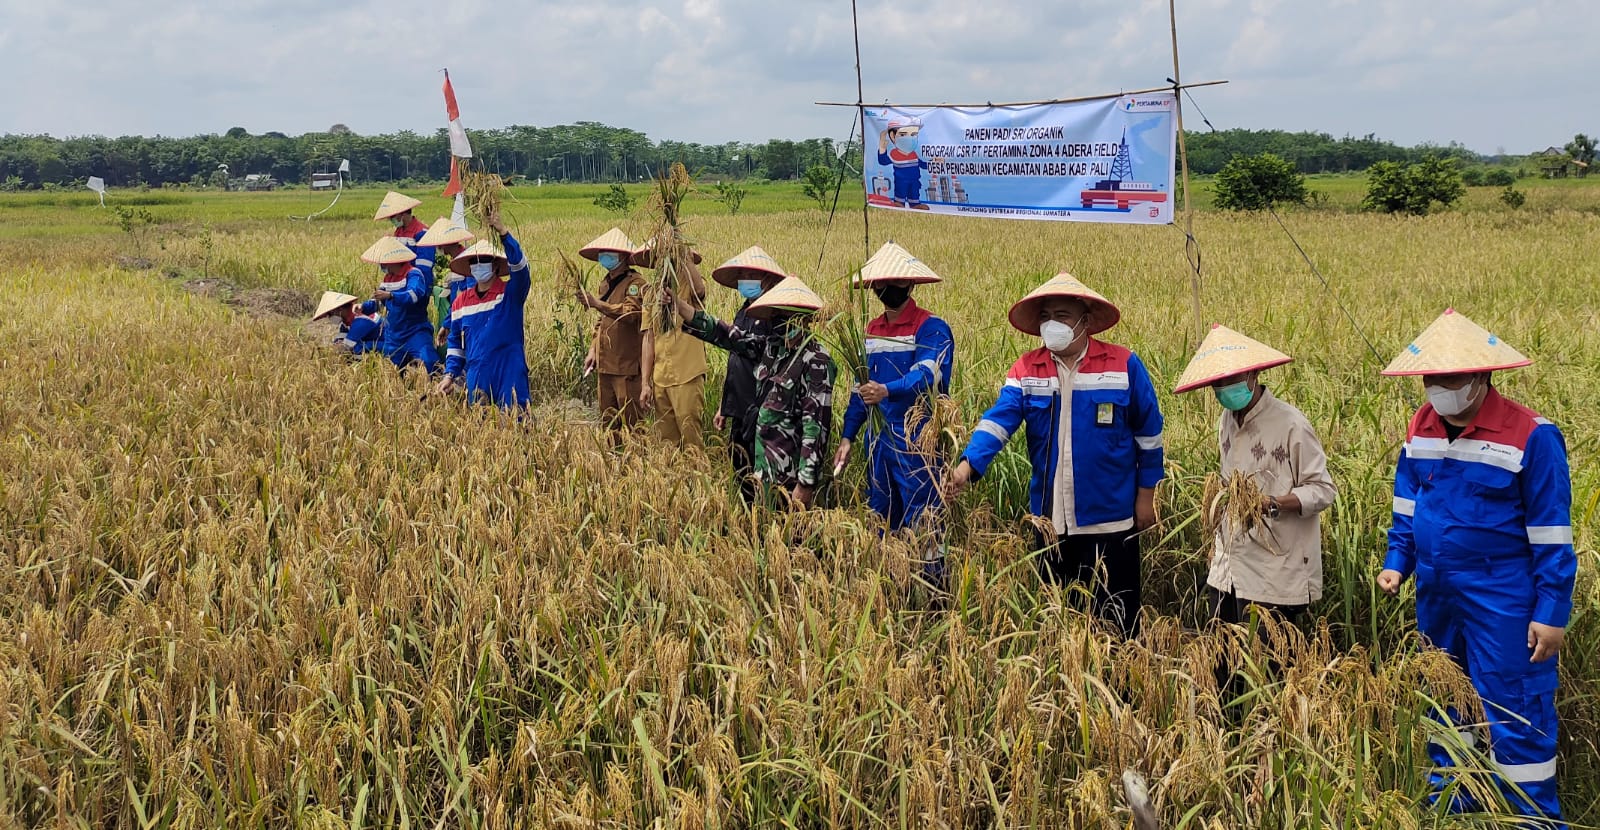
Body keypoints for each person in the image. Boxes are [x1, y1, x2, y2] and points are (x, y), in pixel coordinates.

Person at [1378, 308, 1574, 824]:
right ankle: (1454, 807)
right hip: (1437, 595)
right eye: (1431, 377)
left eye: (1450, 378)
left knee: (1516, 708)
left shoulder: (1532, 436)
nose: (1438, 387)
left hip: (1503, 597)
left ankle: (1529, 817)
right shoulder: (1421, 425)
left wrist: (1552, 612)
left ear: (1482, 376)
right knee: (1444, 699)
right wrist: (1398, 561)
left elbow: (1553, 536)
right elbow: (1408, 503)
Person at [944, 273, 1164, 637]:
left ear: (1086, 320)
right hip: (1049, 522)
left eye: (1062, 316)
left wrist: (1146, 497)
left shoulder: (1123, 366)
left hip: (1110, 522)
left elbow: (1150, 435)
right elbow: (998, 423)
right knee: (1058, 626)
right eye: (1046, 316)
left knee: (1117, 625)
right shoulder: (1027, 370)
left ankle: (1121, 690)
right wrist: (965, 467)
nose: (1052, 324)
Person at [1172, 324, 1337, 624]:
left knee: (1266, 662)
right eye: (1218, 383)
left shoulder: (1291, 424)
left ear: (1254, 374)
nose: (1224, 388)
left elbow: (1323, 490)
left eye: (1231, 378)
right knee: (1220, 656)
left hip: (1274, 569)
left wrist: (1271, 503)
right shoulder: (1226, 420)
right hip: (1228, 566)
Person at [673, 265, 834, 509]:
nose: (782, 321)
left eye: (789, 315)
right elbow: (729, 336)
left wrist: (806, 482)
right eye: (778, 315)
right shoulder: (771, 348)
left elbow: (817, 426)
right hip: (764, 468)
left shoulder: (816, 360)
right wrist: (683, 308)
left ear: (805, 318)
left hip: (789, 476)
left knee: (791, 539)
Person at [834, 241, 955, 536]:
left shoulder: (932, 327)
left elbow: (927, 374)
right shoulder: (870, 331)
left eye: (896, 280)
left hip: (917, 441)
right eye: (883, 281)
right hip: (878, 442)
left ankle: (930, 581)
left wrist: (886, 390)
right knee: (881, 520)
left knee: (925, 520)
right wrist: (848, 436)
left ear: (911, 283)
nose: (889, 286)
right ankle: (888, 579)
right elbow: (859, 391)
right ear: (874, 286)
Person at [706, 247, 787, 502]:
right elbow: (735, 360)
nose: (744, 279)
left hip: (761, 409)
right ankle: (746, 522)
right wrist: (723, 407)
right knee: (739, 469)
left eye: (750, 274)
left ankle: (764, 527)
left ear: (766, 279)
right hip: (738, 406)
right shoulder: (743, 310)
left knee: (761, 475)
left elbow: (746, 345)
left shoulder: (776, 315)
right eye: (741, 274)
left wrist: (703, 323)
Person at [436, 210, 531, 408]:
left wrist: (503, 233)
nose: (478, 265)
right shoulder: (461, 303)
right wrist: (449, 375)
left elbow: (521, 270)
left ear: (496, 265)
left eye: (484, 261)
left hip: (509, 370)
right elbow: (455, 344)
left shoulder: (509, 294)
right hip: (477, 372)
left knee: (517, 424)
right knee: (480, 426)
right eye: (474, 262)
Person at [632, 236, 709, 448]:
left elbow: (700, 291)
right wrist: (645, 383)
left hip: (687, 373)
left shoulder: (688, 283)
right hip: (661, 377)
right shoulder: (650, 293)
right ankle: (672, 479)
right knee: (667, 443)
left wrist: (683, 252)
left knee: (691, 438)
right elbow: (648, 338)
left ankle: (697, 479)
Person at [574, 228, 648, 440]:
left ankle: (638, 466)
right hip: (605, 365)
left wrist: (598, 304)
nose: (604, 256)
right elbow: (601, 322)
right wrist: (593, 349)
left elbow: (631, 313)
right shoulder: (605, 283)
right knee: (609, 425)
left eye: (609, 252)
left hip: (626, 367)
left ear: (623, 256)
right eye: (602, 252)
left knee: (633, 426)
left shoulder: (636, 284)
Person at [359, 237, 440, 373]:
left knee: (429, 361)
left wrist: (392, 295)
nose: (382, 266)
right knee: (392, 371)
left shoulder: (413, 274)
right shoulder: (388, 279)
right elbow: (379, 302)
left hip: (415, 331)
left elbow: (414, 295)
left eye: (383, 262)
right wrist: (363, 307)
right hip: (395, 335)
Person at [417, 216, 476, 355]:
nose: (438, 247)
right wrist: (447, 324)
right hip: (459, 317)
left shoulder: (467, 261)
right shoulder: (455, 262)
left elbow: (469, 297)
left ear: (449, 243)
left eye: (440, 244)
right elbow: (457, 301)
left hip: (469, 320)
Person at [374, 191, 436, 278]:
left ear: (403, 213)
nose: (391, 220)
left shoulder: (422, 233)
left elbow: (424, 266)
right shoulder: (399, 231)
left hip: (418, 281)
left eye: (392, 217)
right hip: (402, 279)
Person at [311, 290, 382, 356]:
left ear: (340, 309)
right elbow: (340, 339)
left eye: (330, 314)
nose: (329, 317)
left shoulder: (360, 321)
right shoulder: (346, 322)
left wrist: (325, 352)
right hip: (374, 342)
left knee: (356, 348)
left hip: (385, 345)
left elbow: (345, 347)